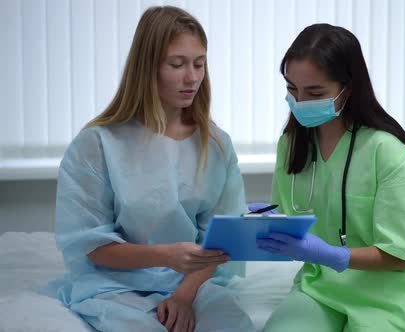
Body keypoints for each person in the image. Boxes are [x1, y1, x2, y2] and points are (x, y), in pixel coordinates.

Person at [44, 6, 256, 332]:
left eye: (199, 64)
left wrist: (184, 296)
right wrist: (165, 255)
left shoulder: (215, 145)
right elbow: (91, 245)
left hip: (193, 284)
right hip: (113, 284)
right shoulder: (98, 144)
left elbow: (222, 241)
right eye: (177, 64)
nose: (192, 77)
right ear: (148, 68)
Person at [254, 23, 405, 331]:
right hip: (320, 289)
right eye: (291, 89)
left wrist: (331, 254)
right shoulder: (292, 146)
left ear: (348, 88)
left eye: (314, 92)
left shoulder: (388, 154)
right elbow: (287, 217)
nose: (299, 101)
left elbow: (401, 256)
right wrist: (257, 224)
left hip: (388, 296)